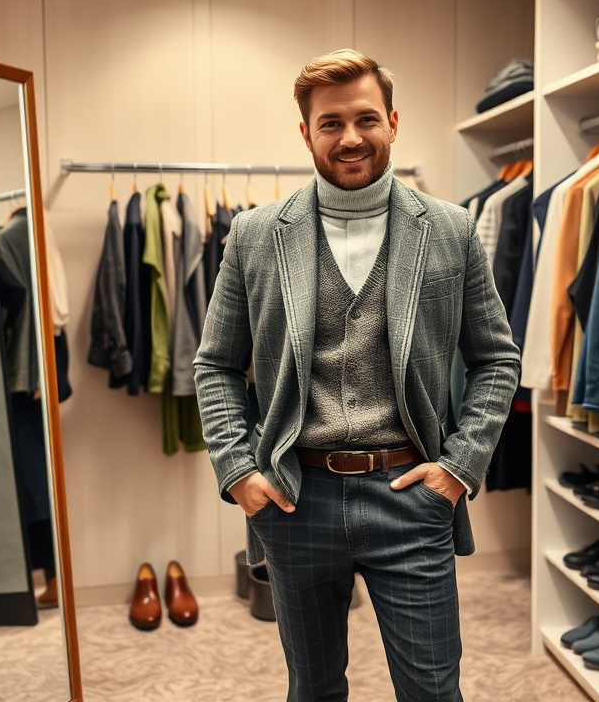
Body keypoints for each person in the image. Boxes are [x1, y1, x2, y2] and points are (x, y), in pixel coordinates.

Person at [194, 49, 520, 702]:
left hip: (412, 496)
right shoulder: (256, 235)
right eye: (330, 122)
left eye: (366, 118)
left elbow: (496, 360)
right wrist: (238, 470)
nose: (350, 137)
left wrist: (457, 470)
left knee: (433, 690)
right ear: (306, 132)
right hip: (295, 499)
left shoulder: (451, 230)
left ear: (393, 122)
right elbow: (216, 364)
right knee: (312, 690)